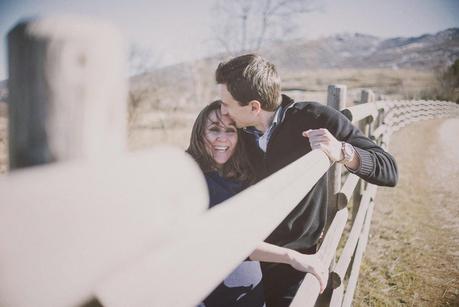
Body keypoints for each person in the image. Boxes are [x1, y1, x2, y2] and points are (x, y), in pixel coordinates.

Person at [215, 54, 399, 306]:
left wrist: (343, 151)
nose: (222, 110)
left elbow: (388, 168)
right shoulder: (232, 132)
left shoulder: (314, 117)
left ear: (254, 107)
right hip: (244, 256)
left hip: (296, 265)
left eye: (227, 104)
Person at [186, 100, 329, 307]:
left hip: (252, 293)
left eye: (230, 130)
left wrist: (307, 228)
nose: (222, 138)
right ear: (200, 134)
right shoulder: (194, 179)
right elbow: (229, 240)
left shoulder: (241, 173)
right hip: (215, 296)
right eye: (214, 130)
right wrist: (291, 256)